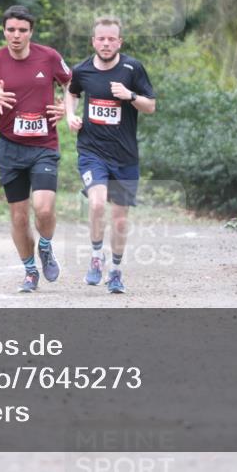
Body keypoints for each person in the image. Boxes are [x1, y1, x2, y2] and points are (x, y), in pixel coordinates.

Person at [0, 5, 71, 293]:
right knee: (18, 215)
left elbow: (72, 83)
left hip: (43, 146)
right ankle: (29, 271)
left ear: (31, 32)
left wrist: (66, 106)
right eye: (11, 30)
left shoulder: (49, 57)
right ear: (4, 31)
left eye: (22, 30)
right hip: (10, 148)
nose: (16, 35)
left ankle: (47, 247)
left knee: (44, 208)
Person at [65, 16, 156, 294]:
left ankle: (115, 271)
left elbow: (150, 106)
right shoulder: (81, 70)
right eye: (100, 38)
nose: (106, 43)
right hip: (92, 151)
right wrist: (70, 115)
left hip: (125, 156)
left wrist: (129, 95)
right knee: (96, 203)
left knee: (119, 219)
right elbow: (70, 93)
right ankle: (96, 256)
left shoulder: (133, 68)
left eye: (111, 39)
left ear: (119, 41)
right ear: (93, 41)